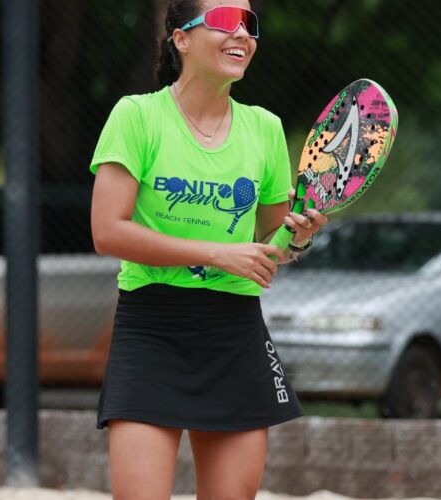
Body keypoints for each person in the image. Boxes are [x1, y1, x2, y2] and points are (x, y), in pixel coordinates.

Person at [88, 0, 327, 498]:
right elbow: (107, 231)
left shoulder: (264, 128)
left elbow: (271, 243)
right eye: (223, 20)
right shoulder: (137, 116)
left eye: (249, 23)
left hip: (233, 332)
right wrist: (217, 253)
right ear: (180, 37)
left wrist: (299, 234)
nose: (241, 33)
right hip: (151, 328)